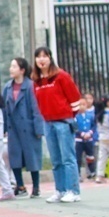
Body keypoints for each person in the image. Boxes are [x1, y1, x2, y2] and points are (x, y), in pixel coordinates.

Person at [31, 46, 82, 203]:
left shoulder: (61, 77)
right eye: (38, 56)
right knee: (56, 160)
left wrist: (69, 116)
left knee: (68, 157)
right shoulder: (37, 81)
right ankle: (60, 190)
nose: (41, 59)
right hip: (48, 123)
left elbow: (74, 98)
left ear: (50, 58)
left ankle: (73, 190)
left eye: (44, 56)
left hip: (63, 122)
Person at [2, 57, 44, 198]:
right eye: (11, 66)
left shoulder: (31, 86)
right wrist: (4, 129)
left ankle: (36, 186)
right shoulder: (7, 87)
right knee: (15, 157)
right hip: (13, 128)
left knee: (32, 157)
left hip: (28, 127)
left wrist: (38, 128)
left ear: (22, 70)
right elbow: (4, 109)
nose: (11, 69)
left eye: (14, 66)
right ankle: (20, 185)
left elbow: (36, 108)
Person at [93, 95, 109, 183]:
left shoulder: (99, 114)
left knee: (102, 158)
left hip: (102, 138)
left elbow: (97, 128)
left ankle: (99, 175)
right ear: (108, 103)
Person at [74, 93, 97, 182]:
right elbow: (75, 127)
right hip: (79, 140)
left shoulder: (90, 116)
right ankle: (78, 174)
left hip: (89, 139)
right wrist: (82, 134)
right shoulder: (76, 116)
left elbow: (94, 126)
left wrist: (90, 133)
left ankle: (92, 172)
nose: (82, 107)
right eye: (80, 105)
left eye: (83, 105)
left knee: (90, 156)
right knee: (78, 157)